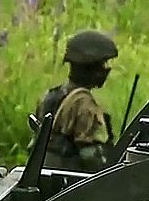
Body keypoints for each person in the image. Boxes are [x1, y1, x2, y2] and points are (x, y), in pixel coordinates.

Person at [32, 29, 118, 172]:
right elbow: (90, 156)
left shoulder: (51, 96)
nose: (105, 70)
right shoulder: (83, 103)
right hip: (68, 180)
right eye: (102, 65)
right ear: (91, 68)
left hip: (44, 174)